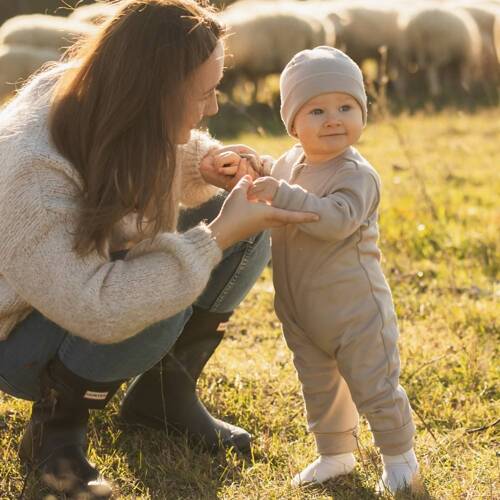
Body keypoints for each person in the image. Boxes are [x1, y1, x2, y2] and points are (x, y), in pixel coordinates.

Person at [0, 1, 319, 497]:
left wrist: (208, 162)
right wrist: (215, 238)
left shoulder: (102, 91)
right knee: (162, 290)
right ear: (157, 91)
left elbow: (132, 147)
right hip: (15, 334)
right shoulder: (33, 173)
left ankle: (163, 397)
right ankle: (54, 433)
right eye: (205, 93)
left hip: (73, 279)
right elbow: (96, 306)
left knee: (248, 212)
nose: (213, 107)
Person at [240, 46, 421, 494]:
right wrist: (251, 166)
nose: (333, 119)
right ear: (293, 124)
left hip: (354, 309)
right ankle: (335, 453)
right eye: (316, 110)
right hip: (301, 310)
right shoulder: (291, 163)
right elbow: (277, 176)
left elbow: (335, 219)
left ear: (362, 113)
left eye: (346, 107)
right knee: (319, 385)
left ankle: (400, 459)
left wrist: (279, 192)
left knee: (373, 383)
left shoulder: (357, 175)